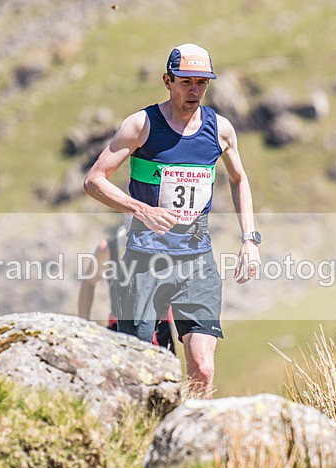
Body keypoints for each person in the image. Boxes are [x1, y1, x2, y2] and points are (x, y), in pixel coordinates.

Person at [83, 43, 261, 397]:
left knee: (203, 368)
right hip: (145, 260)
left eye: (202, 83)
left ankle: (194, 428)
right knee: (139, 367)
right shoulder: (141, 125)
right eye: (186, 82)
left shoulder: (220, 129)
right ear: (168, 81)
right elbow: (94, 181)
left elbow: (239, 179)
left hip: (197, 261)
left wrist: (249, 239)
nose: (194, 90)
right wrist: (141, 210)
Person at [77, 222, 176, 354]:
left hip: (159, 330)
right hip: (119, 327)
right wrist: (84, 325)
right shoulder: (108, 249)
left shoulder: (168, 244)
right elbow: (89, 281)